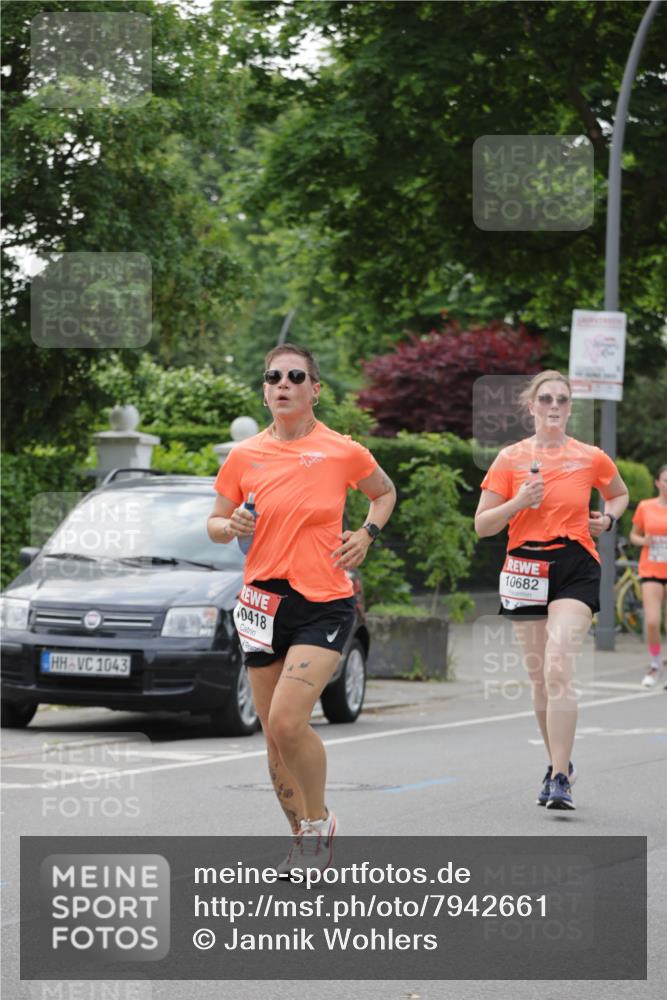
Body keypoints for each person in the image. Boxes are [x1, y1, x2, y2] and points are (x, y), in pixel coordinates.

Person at [207, 343, 396, 869]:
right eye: (273, 376)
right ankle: (302, 837)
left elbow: (383, 493)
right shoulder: (244, 455)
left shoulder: (342, 450)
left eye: (295, 376)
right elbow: (215, 522)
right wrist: (231, 526)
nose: (283, 384)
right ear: (265, 389)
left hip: (323, 601)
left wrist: (366, 533)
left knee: (289, 721)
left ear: (315, 389)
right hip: (262, 602)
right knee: (273, 735)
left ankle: (319, 823)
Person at [475, 371, 629, 811]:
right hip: (524, 565)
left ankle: (560, 778)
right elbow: (483, 525)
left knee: (559, 667)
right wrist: (519, 501)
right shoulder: (509, 458)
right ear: (532, 407)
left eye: (562, 399)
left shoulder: (590, 456)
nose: (555, 406)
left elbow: (618, 494)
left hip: (575, 565)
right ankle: (556, 762)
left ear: (569, 407)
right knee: (540, 677)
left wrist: (610, 518)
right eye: (546, 399)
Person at [629, 464, 667, 688]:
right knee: (652, 622)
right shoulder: (646, 506)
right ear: (658, 483)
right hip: (651, 569)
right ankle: (655, 664)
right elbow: (634, 535)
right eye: (665, 480)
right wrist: (643, 541)